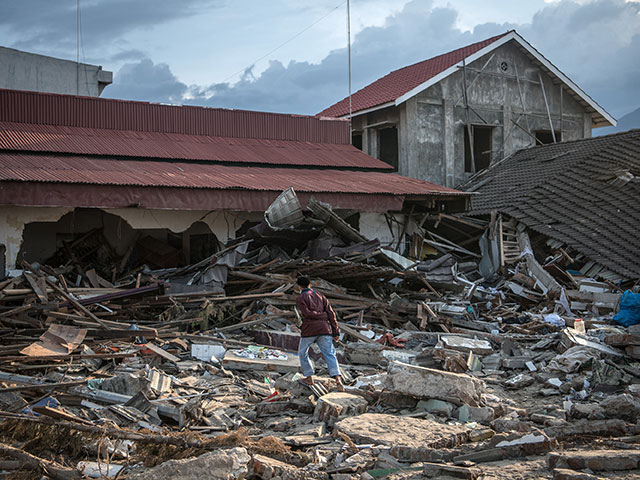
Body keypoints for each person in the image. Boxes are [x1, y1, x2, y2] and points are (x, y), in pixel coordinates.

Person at [295, 276, 344, 391]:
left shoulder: (301, 298)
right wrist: (335, 331)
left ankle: (309, 377)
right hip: (324, 329)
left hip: (309, 330)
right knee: (330, 354)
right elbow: (331, 313)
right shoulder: (320, 296)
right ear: (310, 285)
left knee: (303, 353)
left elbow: (307, 314)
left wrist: (318, 315)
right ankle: (338, 380)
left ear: (299, 286)